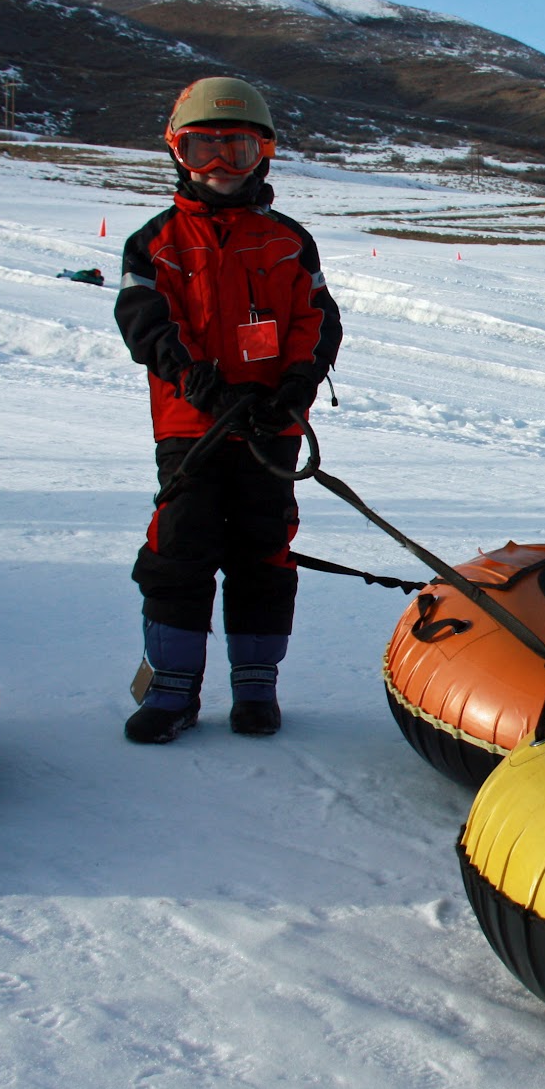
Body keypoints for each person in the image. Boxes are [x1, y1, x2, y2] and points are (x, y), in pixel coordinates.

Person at [115, 76, 342, 743]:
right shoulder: (155, 243)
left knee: (263, 553)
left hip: (273, 425)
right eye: (202, 149)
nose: (219, 167)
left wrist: (295, 388)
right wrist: (205, 388)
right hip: (194, 428)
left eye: (236, 150)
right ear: (177, 154)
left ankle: (255, 688)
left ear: (263, 154)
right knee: (178, 551)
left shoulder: (288, 240)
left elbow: (317, 320)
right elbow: (148, 326)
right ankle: (173, 692)